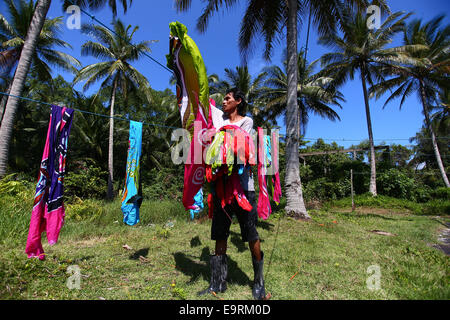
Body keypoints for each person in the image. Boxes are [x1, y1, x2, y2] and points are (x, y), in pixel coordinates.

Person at [199, 87, 271, 300]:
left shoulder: (246, 122)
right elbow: (201, 101)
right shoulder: (218, 118)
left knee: (250, 234)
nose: (224, 102)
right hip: (221, 189)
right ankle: (217, 283)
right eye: (223, 99)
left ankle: (258, 283)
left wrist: (220, 137)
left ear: (238, 101)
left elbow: (241, 146)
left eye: (228, 99)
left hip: (243, 188)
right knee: (220, 234)